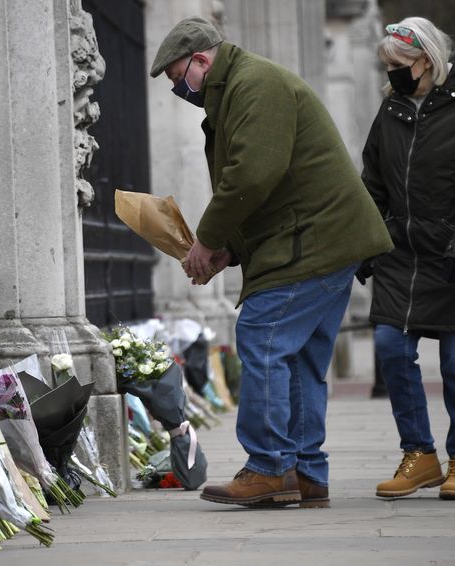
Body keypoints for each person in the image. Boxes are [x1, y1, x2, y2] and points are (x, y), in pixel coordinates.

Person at [149, 17, 393, 508]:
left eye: (179, 77)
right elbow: (268, 186)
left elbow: (251, 177)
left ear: (201, 60)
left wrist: (209, 240)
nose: (179, 89)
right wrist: (228, 252)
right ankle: (305, 472)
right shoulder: (242, 88)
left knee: (261, 336)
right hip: (320, 239)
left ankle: (267, 468)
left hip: (312, 241)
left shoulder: (253, 85)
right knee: (298, 358)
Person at [361, 17, 455, 500]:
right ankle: (420, 455)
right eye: (387, 64)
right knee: (390, 347)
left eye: (399, 63)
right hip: (403, 255)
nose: (392, 71)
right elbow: (372, 185)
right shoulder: (391, 109)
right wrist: (364, 242)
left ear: (427, 59)